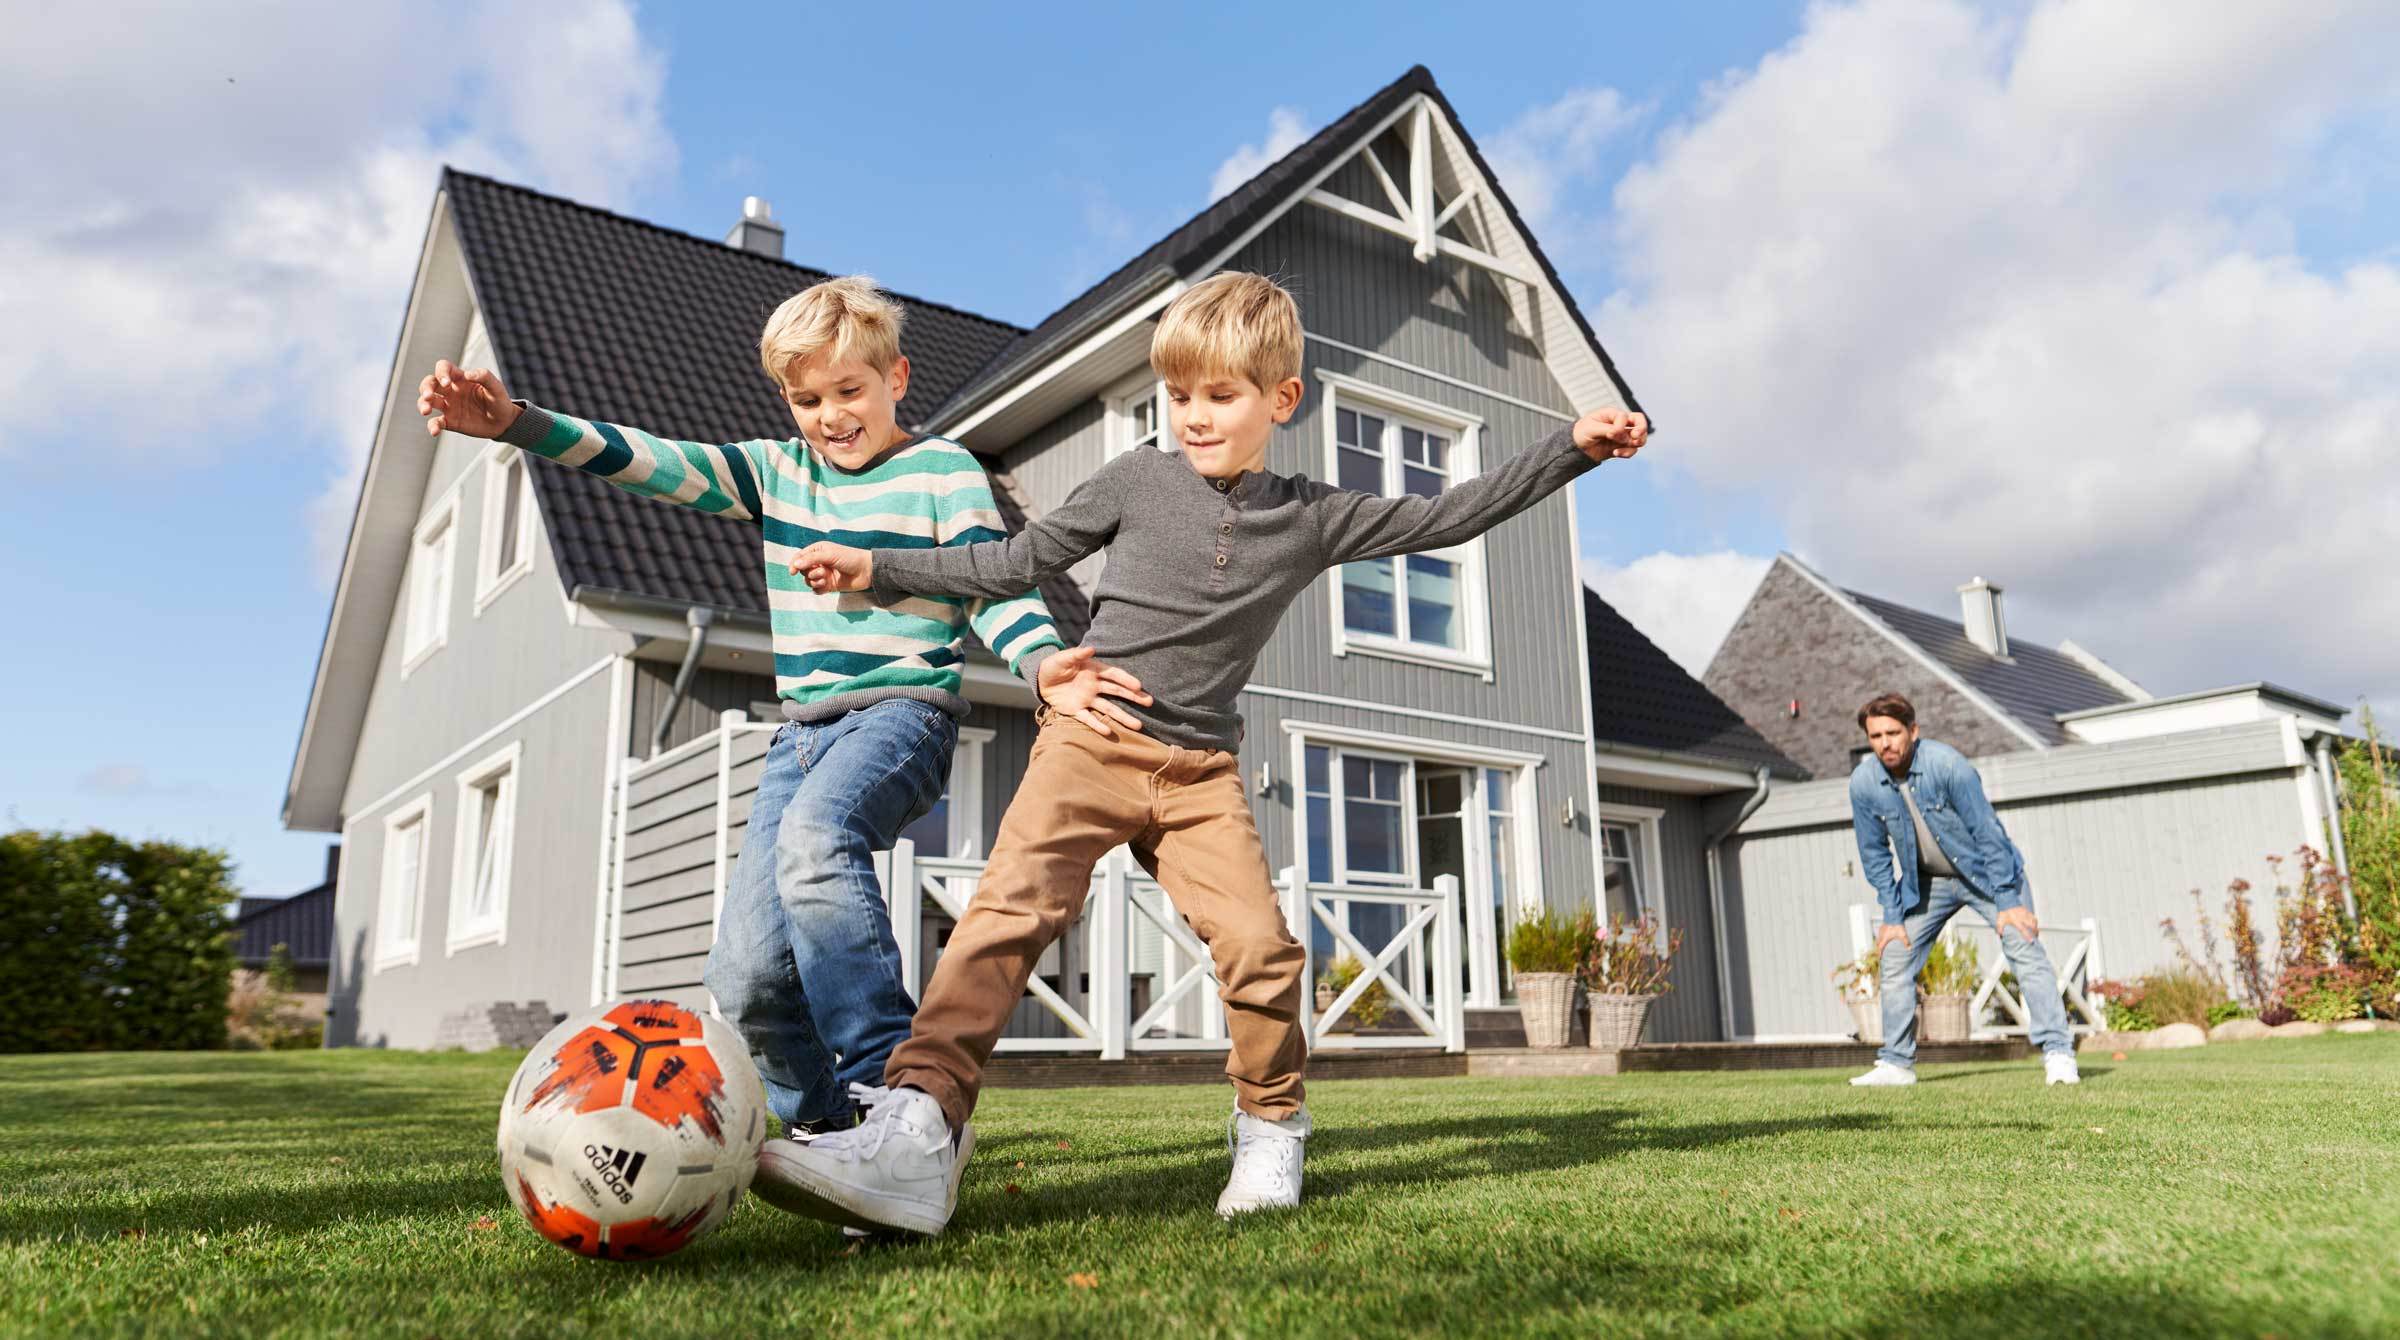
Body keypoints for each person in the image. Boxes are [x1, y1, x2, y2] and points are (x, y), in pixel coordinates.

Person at [755, 270, 1650, 1235]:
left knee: (1262, 949)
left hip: (1198, 774)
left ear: (1281, 399)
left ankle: (1270, 1125)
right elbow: (1014, 559)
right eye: (1178, 396)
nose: (1193, 416)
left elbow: (1450, 515)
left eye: (1219, 396)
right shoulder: (1136, 479)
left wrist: (1569, 449)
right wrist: (878, 568)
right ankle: (919, 1129)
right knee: (1002, 919)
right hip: (1089, 745)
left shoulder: (1311, 516)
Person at [414, 276, 1151, 1162]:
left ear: (897, 379)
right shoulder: (777, 473)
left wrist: (1040, 664)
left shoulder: (942, 471)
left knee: (815, 840)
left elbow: (995, 581)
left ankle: (902, 1108)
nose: (831, 415)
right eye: (808, 398)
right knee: (746, 975)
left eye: (850, 391)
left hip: (902, 710)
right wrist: (517, 425)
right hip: (802, 735)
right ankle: (828, 1137)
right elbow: (651, 460)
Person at [1846, 692, 2079, 1087]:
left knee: (2022, 945)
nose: (1885, 743)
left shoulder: (1948, 766)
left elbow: (1988, 833)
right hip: (1927, 882)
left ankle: (2058, 1053)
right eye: (1875, 736)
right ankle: (1896, 1064)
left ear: (1913, 731)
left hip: (1987, 874)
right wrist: (1891, 916)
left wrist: (2008, 900)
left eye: (1892, 732)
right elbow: (1873, 854)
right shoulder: (1865, 783)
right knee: (1895, 952)